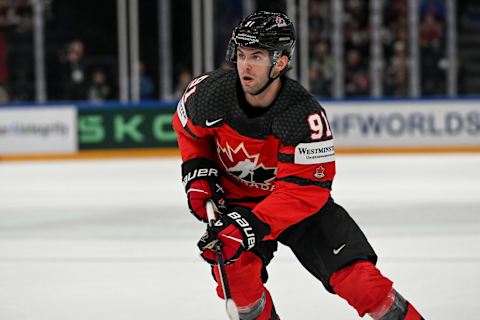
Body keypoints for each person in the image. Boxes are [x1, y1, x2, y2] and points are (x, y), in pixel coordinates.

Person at [172, 11, 424, 320]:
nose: (245, 65)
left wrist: (246, 226)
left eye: (257, 56)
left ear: (279, 62)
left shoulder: (304, 117)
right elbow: (190, 133)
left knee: (364, 285)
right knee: (238, 289)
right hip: (237, 203)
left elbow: (305, 192)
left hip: (297, 208)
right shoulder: (209, 94)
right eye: (240, 54)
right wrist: (199, 173)